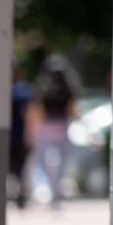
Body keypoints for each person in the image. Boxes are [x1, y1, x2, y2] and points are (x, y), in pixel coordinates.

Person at [27, 54, 80, 207]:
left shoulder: (42, 87)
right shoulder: (68, 88)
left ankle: (46, 189)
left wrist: (31, 130)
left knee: (42, 162)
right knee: (62, 163)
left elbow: (36, 111)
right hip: (62, 129)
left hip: (45, 130)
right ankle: (55, 192)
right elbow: (72, 111)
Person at [10, 65, 34, 208]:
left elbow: (28, 112)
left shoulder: (21, 90)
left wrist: (29, 132)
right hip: (16, 136)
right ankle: (19, 194)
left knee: (19, 169)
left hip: (17, 136)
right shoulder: (21, 89)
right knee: (18, 169)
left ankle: (20, 194)